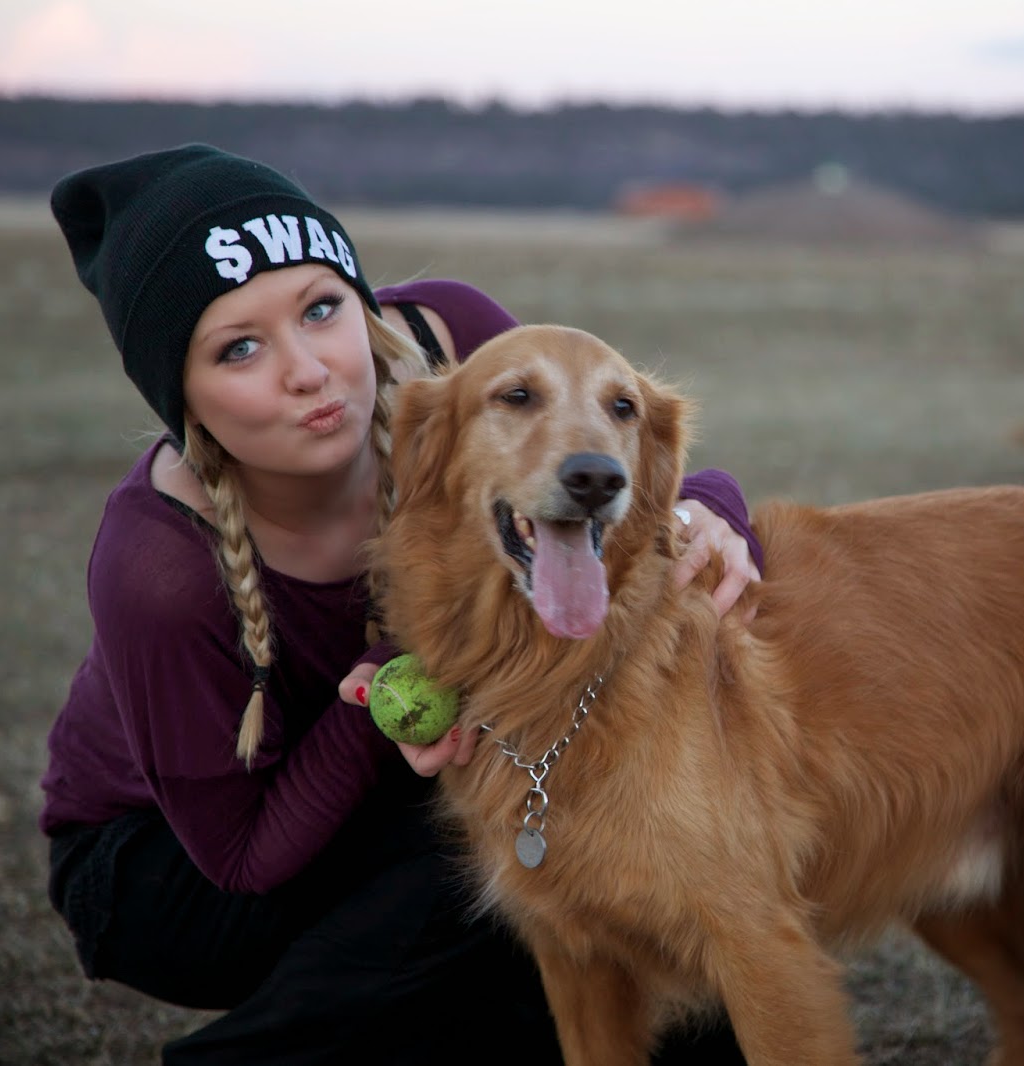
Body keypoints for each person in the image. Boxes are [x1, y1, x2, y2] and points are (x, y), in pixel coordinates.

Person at [39, 144, 761, 1065]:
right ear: (182, 395)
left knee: (594, 856)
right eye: (240, 348)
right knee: (496, 844)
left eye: (321, 309)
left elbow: (587, 465)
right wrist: (383, 696)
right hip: (168, 871)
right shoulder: (158, 566)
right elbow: (243, 856)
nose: (309, 371)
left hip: (400, 783)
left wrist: (707, 508)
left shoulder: (455, 344)